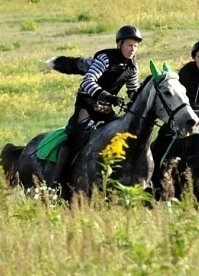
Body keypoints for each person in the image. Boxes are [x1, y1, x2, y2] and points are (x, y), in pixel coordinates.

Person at [53, 25, 143, 186]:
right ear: (120, 44)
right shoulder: (105, 58)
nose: (132, 49)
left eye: (135, 46)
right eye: (129, 45)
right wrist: (108, 96)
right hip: (87, 104)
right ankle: (57, 180)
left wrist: (138, 99)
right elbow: (87, 82)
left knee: (119, 134)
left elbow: (133, 90)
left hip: (106, 107)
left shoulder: (133, 67)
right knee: (75, 134)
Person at [151, 40, 199, 192]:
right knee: (158, 142)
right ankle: (152, 182)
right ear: (194, 57)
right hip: (182, 116)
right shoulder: (184, 73)